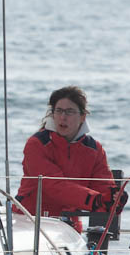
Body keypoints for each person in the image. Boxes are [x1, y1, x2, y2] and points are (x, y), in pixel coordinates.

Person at [14, 86, 122, 232]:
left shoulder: (94, 149)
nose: (63, 117)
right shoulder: (37, 144)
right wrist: (94, 200)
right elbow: (54, 185)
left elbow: (102, 187)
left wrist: (114, 199)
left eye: (69, 112)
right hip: (29, 221)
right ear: (52, 114)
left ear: (82, 117)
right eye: (59, 111)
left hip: (69, 227)